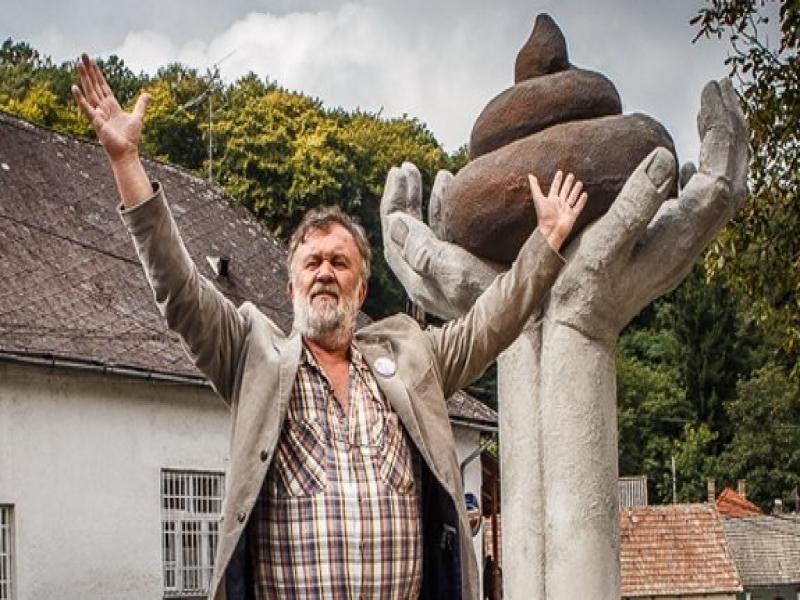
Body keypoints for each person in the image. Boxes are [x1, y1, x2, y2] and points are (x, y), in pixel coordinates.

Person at [72, 53, 587, 600]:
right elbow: (179, 288)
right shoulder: (252, 355)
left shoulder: (412, 358)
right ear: (290, 287)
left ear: (360, 290)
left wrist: (546, 241)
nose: (325, 272)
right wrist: (126, 162)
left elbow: (488, 323)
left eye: (340, 263)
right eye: (312, 262)